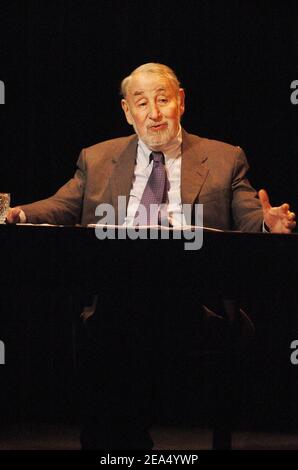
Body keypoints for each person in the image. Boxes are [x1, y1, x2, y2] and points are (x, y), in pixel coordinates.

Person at [6, 63, 296, 449]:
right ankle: (121, 441)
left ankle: (121, 439)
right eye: (142, 103)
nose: (154, 113)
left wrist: (268, 223)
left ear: (181, 101)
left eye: (162, 100)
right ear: (128, 112)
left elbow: (248, 217)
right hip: (118, 303)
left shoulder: (225, 159)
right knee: (117, 320)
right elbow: (61, 205)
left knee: (116, 340)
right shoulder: (97, 158)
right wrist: (15, 214)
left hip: (194, 304)